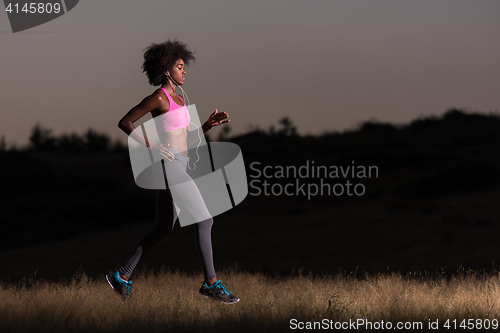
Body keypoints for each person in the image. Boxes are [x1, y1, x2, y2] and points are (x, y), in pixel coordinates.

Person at [106, 40, 239, 304]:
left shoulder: (179, 99)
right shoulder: (159, 97)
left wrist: (205, 126)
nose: (185, 71)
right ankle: (211, 284)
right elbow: (125, 122)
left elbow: (185, 141)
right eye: (180, 66)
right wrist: (152, 146)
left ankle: (122, 276)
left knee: (163, 228)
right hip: (168, 166)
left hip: (180, 163)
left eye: (184, 67)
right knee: (205, 220)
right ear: (166, 69)